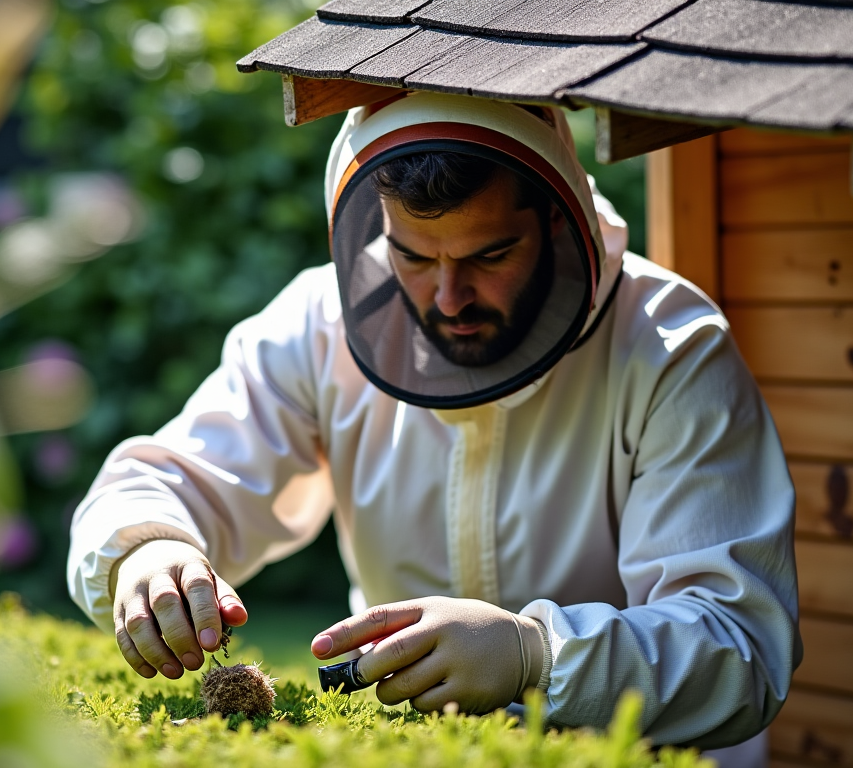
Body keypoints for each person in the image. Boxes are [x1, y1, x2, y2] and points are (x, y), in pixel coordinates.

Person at [67, 92, 800, 765]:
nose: (448, 297)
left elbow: (739, 649)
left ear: (556, 217)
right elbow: (163, 479)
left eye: (490, 254)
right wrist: (148, 549)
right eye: (413, 255)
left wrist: (535, 655)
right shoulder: (315, 326)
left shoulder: (671, 347)